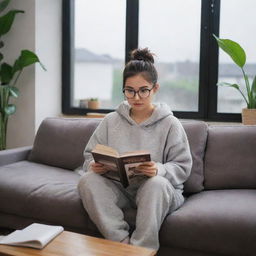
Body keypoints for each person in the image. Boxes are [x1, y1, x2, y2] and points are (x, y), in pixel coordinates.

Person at [77, 48, 192, 251]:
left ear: (155, 88)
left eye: (143, 90)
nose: (136, 97)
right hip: (121, 189)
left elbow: (182, 166)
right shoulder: (110, 121)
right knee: (87, 180)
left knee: (155, 184)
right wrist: (93, 165)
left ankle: (142, 250)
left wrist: (159, 169)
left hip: (159, 191)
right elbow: (89, 155)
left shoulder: (170, 124)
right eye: (129, 90)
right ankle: (121, 243)